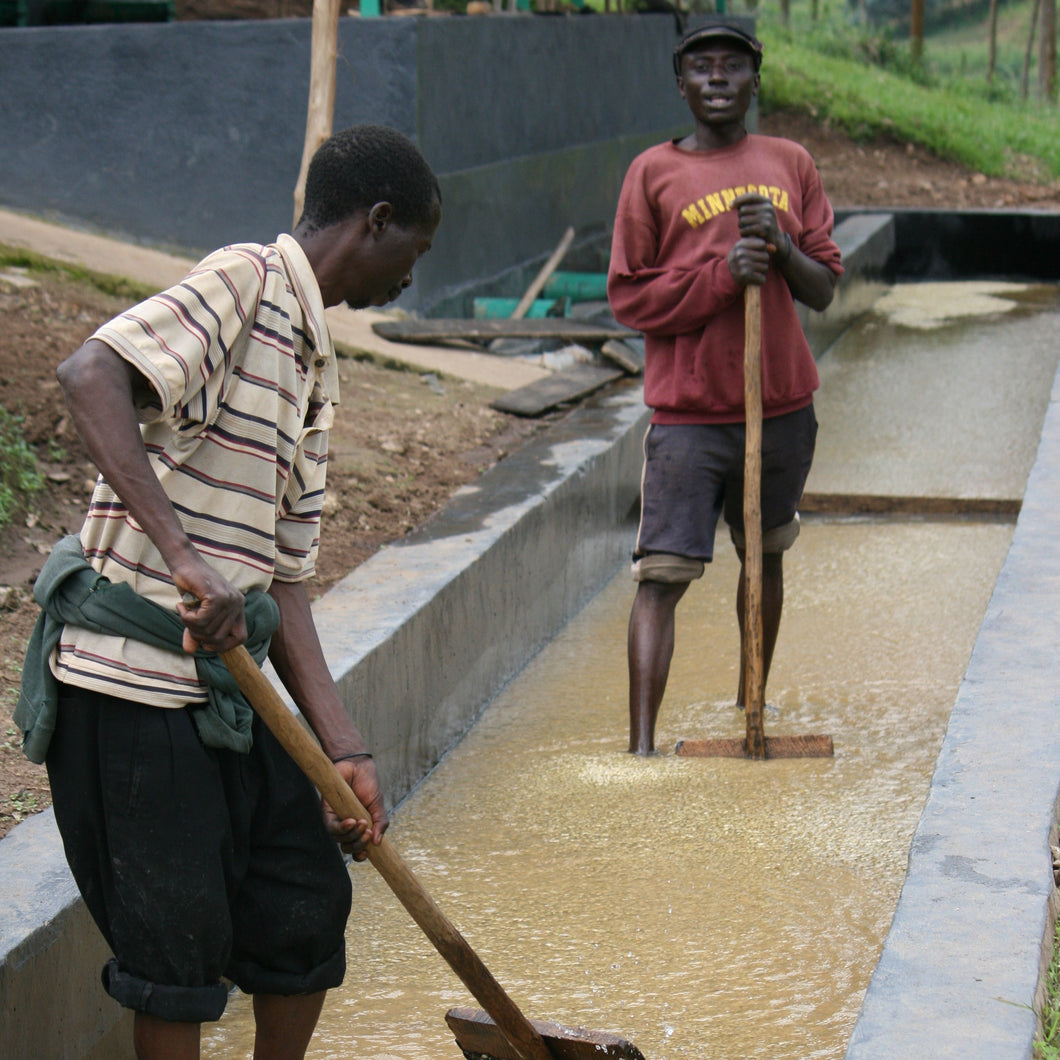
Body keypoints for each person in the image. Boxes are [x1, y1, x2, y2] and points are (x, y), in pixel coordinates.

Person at [15, 124, 441, 1059]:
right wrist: (182, 554)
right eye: (416, 251)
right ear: (377, 222)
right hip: (127, 689)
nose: (412, 277)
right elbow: (91, 375)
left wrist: (344, 751)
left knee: (304, 904)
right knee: (177, 948)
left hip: (224, 692)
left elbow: (284, 582)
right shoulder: (247, 280)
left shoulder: (318, 364)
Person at [606, 21, 843, 756]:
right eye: (701, 68)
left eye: (732, 67)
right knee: (663, 575)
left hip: (780, 409)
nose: (717, 79)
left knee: (765, 557)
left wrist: (780, 247)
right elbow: (630, 299)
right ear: (681, 84)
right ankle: (642, 748)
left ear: (754, 81)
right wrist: (720, 277)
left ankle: (754, 710)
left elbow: (826, 286)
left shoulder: (791, 162)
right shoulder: (652, 173)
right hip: (689, 416)